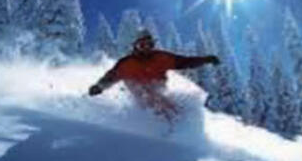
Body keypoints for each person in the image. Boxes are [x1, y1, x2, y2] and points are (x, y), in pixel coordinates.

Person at [87, 30, 222, 124]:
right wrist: (99, 87)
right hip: (140, 105)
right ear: (135, 46)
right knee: (152, 115)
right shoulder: (126, 63)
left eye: (149, 44)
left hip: (161, 98)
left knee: (175, 114)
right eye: (142, 45)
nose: (146, 48)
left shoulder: (161, 57)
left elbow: (184, 62)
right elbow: (111, 77)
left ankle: (181, 137)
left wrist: (205, 59)